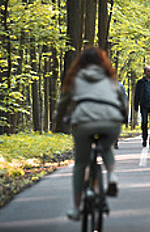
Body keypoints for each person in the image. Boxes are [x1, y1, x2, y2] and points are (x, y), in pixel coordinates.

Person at [54, 47, 128, 221]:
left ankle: (75, 208)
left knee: (81, 163)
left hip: (84, 121)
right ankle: (111, 176)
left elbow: (63, 104)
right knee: (107, 148)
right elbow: (122, 103)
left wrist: (59, 118)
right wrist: (123, 117)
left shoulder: (75, 78)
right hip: (111, 120)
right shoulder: (111, 80)